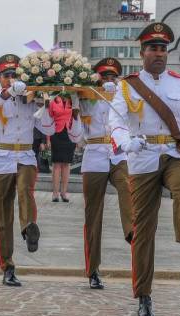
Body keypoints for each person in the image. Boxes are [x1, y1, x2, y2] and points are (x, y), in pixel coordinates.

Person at [109, 22, 180, 316]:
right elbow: (115, 122)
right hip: (142, 159)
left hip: (174, 153)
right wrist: (127, 142)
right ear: (142, 53)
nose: (159, 54)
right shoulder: (126, 86)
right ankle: (144, 296)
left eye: (163, 48)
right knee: (144, 231)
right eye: (153, 48)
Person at [0, 54, 71, 287]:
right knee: (3, 216)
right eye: (7, 76)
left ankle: (29, 228)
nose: (11, 79)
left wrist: (49, 105)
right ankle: (8, 266)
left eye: (14, 75)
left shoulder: (30, 100)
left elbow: (47, 127)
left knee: (26, 191)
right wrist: (11, 92)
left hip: (25, 155)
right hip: (2, 158)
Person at [76, 57, 133, 290]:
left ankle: (131, 232)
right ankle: (93, 270)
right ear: (97, 77)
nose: (108, 80)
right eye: (104, 76)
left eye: (112, 76)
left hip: (118, 153)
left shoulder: (124, 98)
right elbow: (76, 132)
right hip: (95, 153)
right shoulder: (86, 96)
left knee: (129, 190)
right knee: (93, 215)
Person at [47, 94, 77, 202]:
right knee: (57, 164)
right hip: (56, 133)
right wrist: (47, 138)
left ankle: (64, 192)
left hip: (70, 133)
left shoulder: (73, 99)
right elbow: (48, 119)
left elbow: (76, 117)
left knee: (66, 164)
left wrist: (78, 137)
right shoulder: (53, 100)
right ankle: (55, 193)